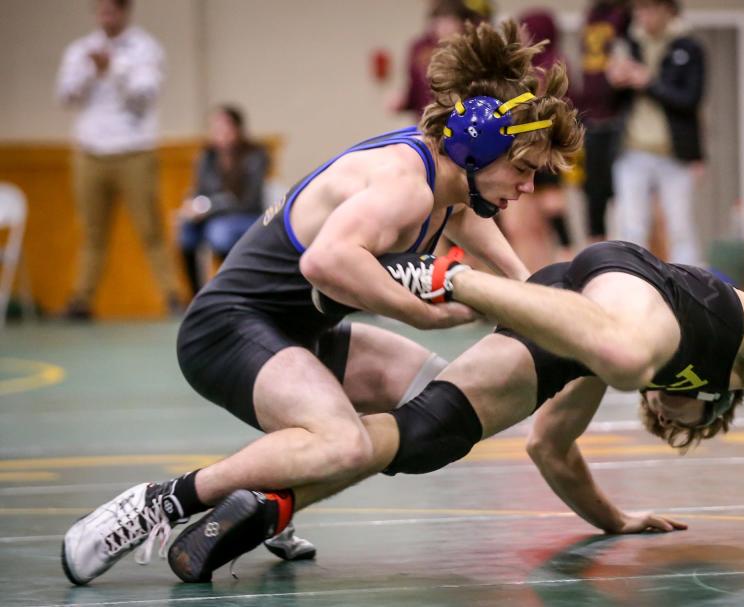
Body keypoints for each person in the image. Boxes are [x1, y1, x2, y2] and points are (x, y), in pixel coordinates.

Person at [60, 20, 584, 586]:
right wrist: (421, 313)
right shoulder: (403, 182)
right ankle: (160, 502)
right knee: (343, 442)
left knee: (449, 405)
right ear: (479, 152)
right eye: (524, 170)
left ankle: (270, 502)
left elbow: (460, 214)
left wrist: (521, 282)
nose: (529, 187)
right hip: (230, 329)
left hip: (300, 330)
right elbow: (323, 263)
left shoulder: (448, 179)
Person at [164, 240, 744, 582]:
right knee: (627, 355)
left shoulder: (614, 368)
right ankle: (452, 277)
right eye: (675, 415)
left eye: (659, 411)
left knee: (428, 432)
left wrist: (615, 520)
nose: (662, 409)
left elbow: (549, 448)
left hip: (577, 301)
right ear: (716, 402)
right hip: (626, 283)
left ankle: (270, 502)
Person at [55, 0, 181, 319]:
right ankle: (81, 301)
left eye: (112, 11)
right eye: (101, 11)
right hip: (90, 151)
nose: (106, 17)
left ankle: (172, 297)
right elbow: (65, 96)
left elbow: (146, 95)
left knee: (150, 228)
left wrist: (113, 69)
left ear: (125, 12)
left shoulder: (145, 49)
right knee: (92, 231)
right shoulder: (81, 49)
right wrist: (89, 73)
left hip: (134, 150)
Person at [607, 0, 705, 265]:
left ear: (668, 10)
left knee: (680, 229)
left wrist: (648, 82)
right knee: (632, 228)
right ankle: (632, 288)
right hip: (632, 149)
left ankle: (693, 294)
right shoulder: (627, 44)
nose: (643, 16)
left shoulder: (688, 47)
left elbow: (689, 100)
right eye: (638, 9)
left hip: (674, 152)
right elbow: (608, 104)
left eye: (649, 8)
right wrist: (615, 81)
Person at [499, 8, 575, 270]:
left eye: (525, 31)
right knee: (522, 225)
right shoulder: (524, 67)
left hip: (541, 148)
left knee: (545, 213)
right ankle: (534, 274)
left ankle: (551, 268)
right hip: (523, 147)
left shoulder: (551, 66)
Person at [178, 105, 269, 296]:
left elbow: (247, 201)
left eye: (224, 127)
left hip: (245, 215)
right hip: (211, 216)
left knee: (219, 231)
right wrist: (192, 206)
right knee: (185, 228)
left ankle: (230, 290)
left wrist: (208, 207)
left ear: (237, 128)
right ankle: (196, 295)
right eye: (214, 128)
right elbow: (199, 190)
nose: (218, 133)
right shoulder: (207, 157)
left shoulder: (255, 155)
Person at [578, 0, 632, 244]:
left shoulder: (626, 15)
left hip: (620, 120)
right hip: (593, 120)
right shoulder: (592, 15)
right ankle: (598, 257)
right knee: (594, 196)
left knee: (628, 198)